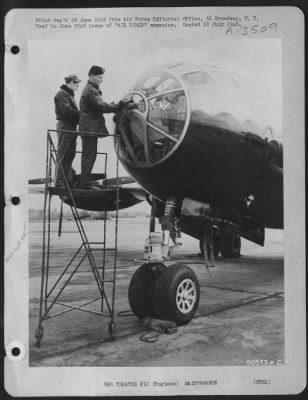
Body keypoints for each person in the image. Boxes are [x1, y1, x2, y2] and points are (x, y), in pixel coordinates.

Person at [79, 65, 123, 190]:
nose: (101, 80)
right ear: (91, 76)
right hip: (89, 130)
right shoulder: (91, 90)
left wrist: (114, 105)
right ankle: (85, 184)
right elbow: (102, 106)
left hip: (88, 129)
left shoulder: (90, 89)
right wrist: (119, 106)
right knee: (89, 156)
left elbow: (101, 104)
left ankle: (86, 181)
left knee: (90, 155)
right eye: (99, 77)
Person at [54, 74, 81, 188]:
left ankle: (66, 181)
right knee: (64, 154)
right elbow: (67, 112)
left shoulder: (68, 95)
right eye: (76, 83)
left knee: (69, 154)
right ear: (70, 82)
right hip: (66, 127)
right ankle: (60, 183)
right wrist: (82, 115)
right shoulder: (61, 94)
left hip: (70, 127)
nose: (78, 86)